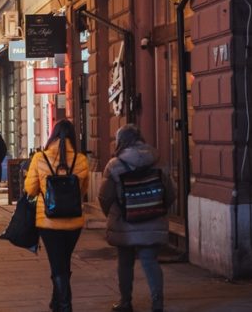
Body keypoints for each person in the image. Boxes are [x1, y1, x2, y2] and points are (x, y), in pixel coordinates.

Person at [98, 125, 175, 312]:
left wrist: (110, 214)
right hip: (153, 218)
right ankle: (157, 304)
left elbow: (104, 196)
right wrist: (159, 208)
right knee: (150, 261)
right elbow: (171, 192)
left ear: (120, 142)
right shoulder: (157, 161)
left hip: (125, 222)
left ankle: (126, 302)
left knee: (125, 262)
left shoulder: (115, 165)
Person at [25, 120, 89, 312]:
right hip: (74, 222)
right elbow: (83, 191)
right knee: (63, 262)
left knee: (58, 264)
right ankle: (56, 301)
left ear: (52, 135)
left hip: (48, 222)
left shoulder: (39, 158)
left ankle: (65, 305)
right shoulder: (81, 160)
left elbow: (30, 189)